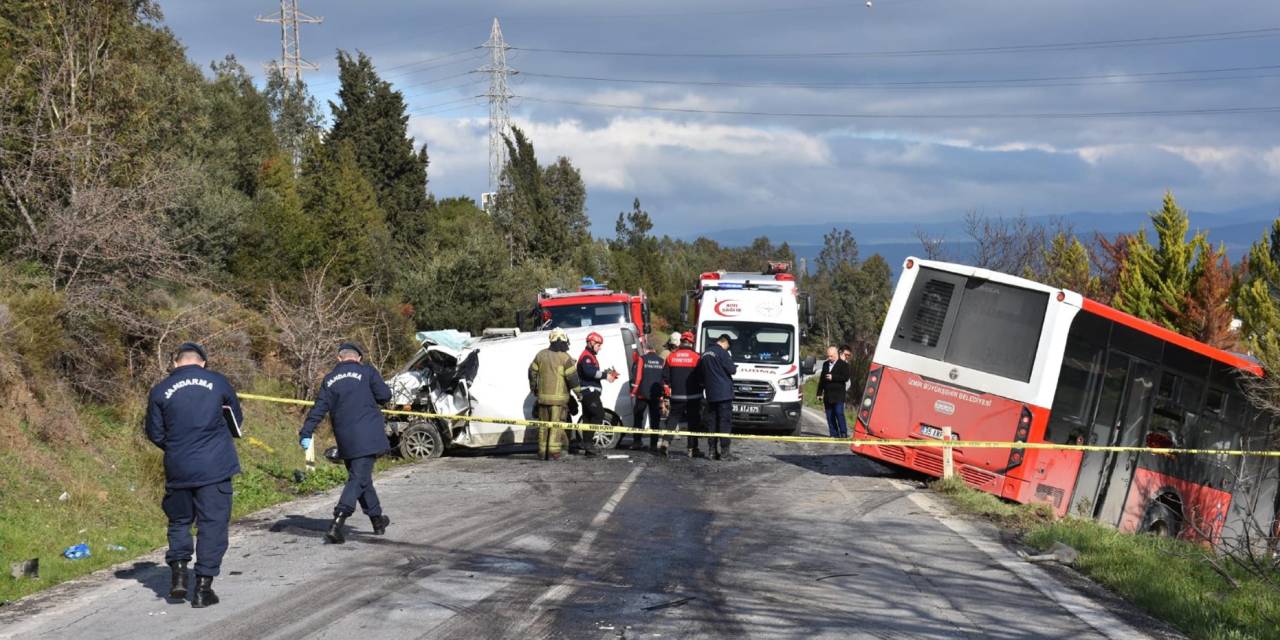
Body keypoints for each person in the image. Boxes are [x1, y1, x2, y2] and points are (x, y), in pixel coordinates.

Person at [144, 342, 242, 608]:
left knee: (179, 521)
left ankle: (178, 574)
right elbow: (236, 420)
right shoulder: (218, 382)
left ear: (175, 363)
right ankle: (202, 588)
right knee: (212, 525)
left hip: (178, 467)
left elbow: (154, 433)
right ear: (203, 362)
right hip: (215, 467)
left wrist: (178, 448)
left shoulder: (160, 390)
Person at [299, 342, 393, 545]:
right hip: (368, 437)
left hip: (346, 440)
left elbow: (318, 409)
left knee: (362, 480)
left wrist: (306, 432)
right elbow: (385, 396)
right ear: (358, 358)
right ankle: (337, 522)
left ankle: (377, 521)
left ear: (339, 358)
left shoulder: (330, 379)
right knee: (357, 479)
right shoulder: (367, 372)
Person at [528, 329, 580, 460]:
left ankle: (542, 453)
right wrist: (580, 394)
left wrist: (534, 388)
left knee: (543, 427)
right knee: (556, 427)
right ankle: (554, 454)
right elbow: (573, 379)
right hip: (558, 401)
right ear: (562, 340)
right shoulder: (565, 357)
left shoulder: (540, 355)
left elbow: (531, 372)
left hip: (543, 399)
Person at [577, 331, 620, 451]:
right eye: (598, 345)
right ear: (591, 342)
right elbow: (589, 372)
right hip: (589, 392)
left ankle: (586, 444)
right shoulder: (586, 356)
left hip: (589, 392)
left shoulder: (590, 356)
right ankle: (588, 443)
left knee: (587, 418)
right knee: (598, 414)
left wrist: (607, 374)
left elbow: (592, 372)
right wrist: (606, 375)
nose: (600, 348)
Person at [664, 331, 703, 458]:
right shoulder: (697, 357)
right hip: (693, 396)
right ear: (692, 342)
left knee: (673, 419)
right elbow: (701, 377)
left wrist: (667, 392)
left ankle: (665, 442)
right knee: (693, 422)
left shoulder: (671, 356)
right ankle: (692, 448)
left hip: (676, 396)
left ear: (681, 341)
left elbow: (665, 377)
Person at [700, 333, 738, 460]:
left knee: (712, 423)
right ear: (725, 342)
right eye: (728, 346)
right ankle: (725, 453)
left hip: (711, 394)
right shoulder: (722, 353)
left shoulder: (705, 354)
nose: (728, 348)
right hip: (724, 394)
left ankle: (712, 451)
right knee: (724, 423)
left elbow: (701, 373)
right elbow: (732, 370)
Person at [629, 343, 667, 450]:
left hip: (642, 394)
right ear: (654, 350)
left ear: (646, 350)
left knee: (638, 417)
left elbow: (638, 377)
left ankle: (637, 442)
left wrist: (633, 391)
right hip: (655, 394)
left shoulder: (642, 359)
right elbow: (663, 379)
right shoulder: (661, 360)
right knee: (655, 420)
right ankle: (654, 445)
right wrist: (662, 395)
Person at [817, 345, 851, 438]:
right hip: (828, 395)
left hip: (838, 395)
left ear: (836, 355)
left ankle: (843, 432)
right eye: (828, 356)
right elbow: (822, 379)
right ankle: (833, 434)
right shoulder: (825, 364)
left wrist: (833, 377)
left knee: (839, 413)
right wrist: (819, 393)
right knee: (829, 415)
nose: (829, 358)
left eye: (831, 356)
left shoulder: (844, 364)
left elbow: (846, 377)